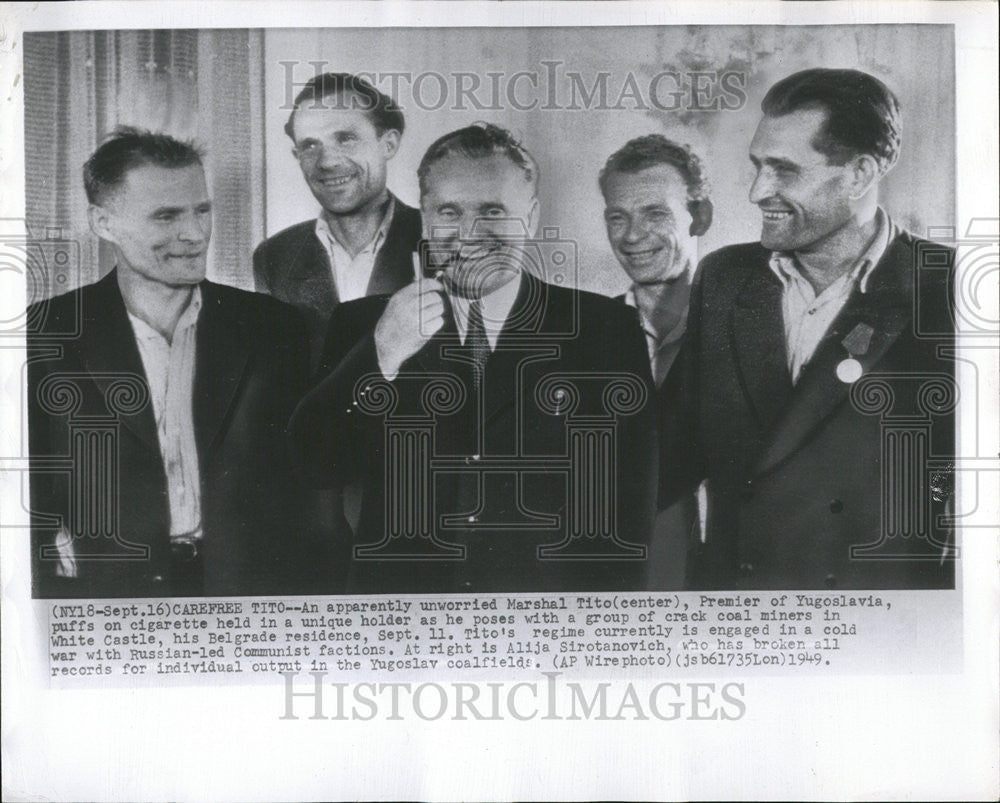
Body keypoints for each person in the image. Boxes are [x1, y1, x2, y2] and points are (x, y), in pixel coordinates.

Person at [290, 123, 658, 593]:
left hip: (540, 626)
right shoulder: (365, 325)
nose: (468, 234)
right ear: (424, 216)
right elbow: (315, 463)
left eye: (492, 211)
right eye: (448, 211)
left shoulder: (604, 328)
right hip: (401, 626)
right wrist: (381, 354)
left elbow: (628, 515)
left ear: (531, 217)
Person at [662, 68, 956, 590]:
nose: (757, 191)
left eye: (784, 170)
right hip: (737, 618)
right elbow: (668, 452)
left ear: (861, 174)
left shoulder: (950, 291)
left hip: (874, 635)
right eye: (757, 166)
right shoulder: (726, 278)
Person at [28, 127, 327, 597]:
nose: (193, 234)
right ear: (103, 223)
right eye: (166, 216)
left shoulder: (275, 328)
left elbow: (310, 481)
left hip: (249, 598)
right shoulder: (42, 334)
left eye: (201, 210)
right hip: (107, 602)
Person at [599, 134, 713, 589]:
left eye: (655, 213)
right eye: (617, 217)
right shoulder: (588, 337)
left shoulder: (750, 328)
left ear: (700, 216)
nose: (631, 236)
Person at [253, 72, 422, 368]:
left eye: (345, 139)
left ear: (389, 144)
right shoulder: (275, 257)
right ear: (297, 155)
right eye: (310, 145)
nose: (327, 162)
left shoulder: (439, 239)